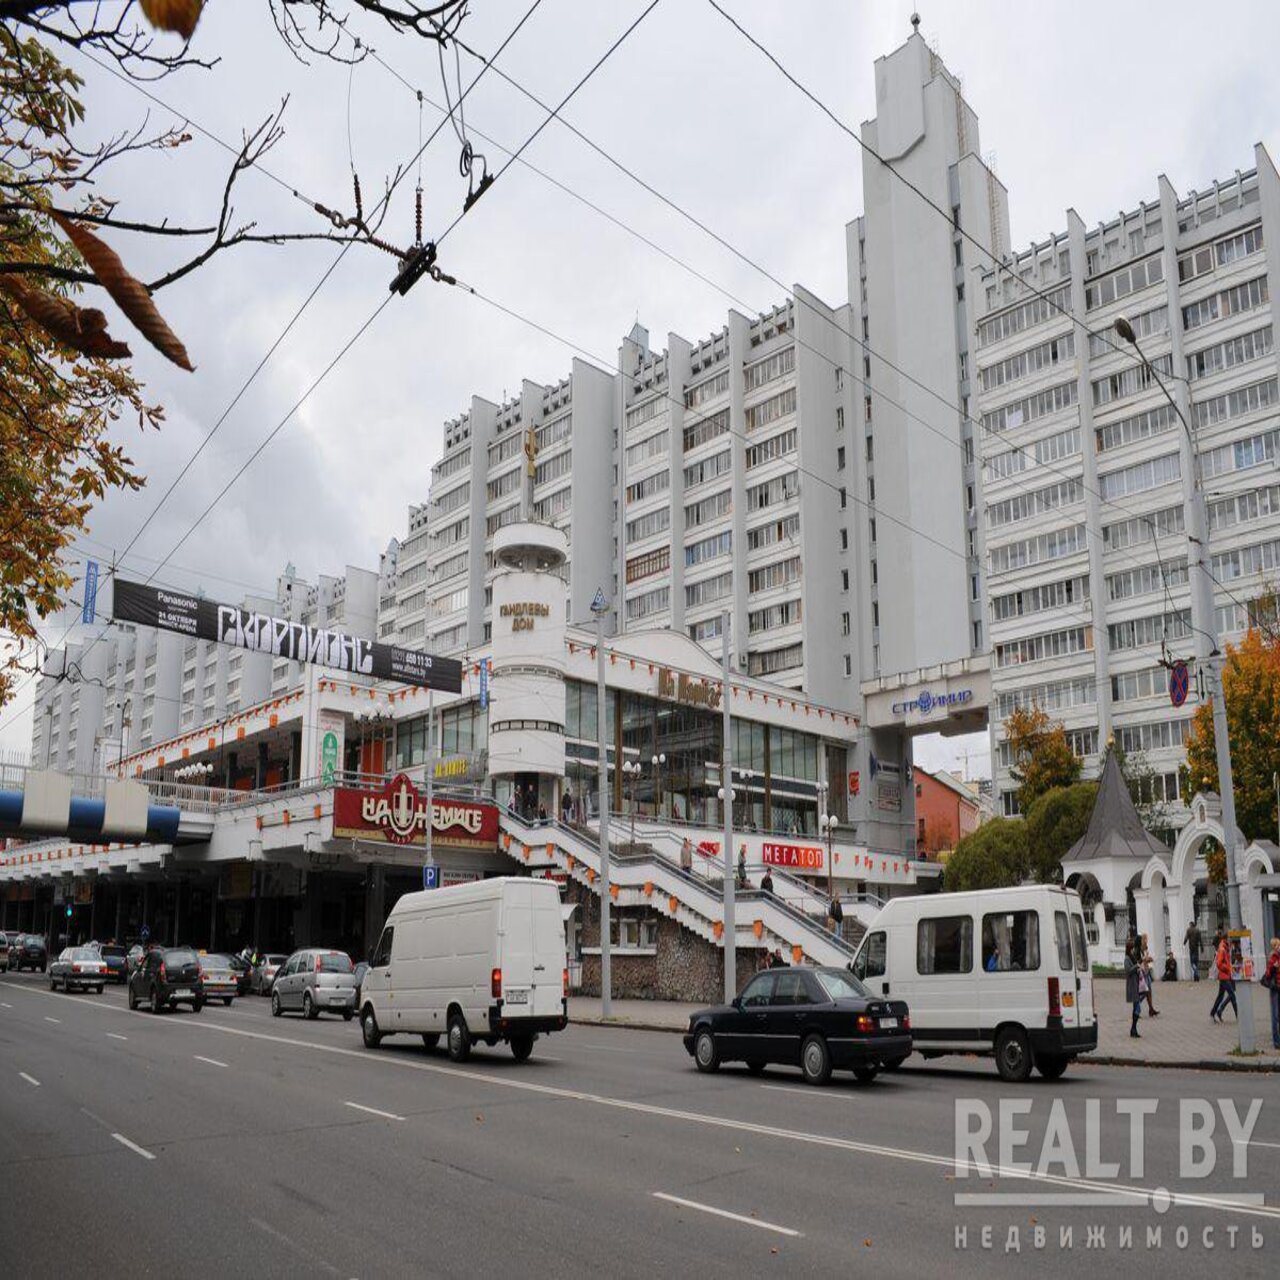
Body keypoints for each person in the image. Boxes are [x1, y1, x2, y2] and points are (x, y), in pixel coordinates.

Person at [1210, 930, 1238, 1023]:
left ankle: (1214, 1013)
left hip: (1227, 975)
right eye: (1230, 938)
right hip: (1224, 976)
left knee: (1221, 996)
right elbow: (1219, 963)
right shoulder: (1222, 948)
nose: (1231, 940)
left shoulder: (1226, 947)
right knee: (1232, 995)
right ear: (1227, 938)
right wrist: (1227, 968)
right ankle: (1239, 1017)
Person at [1263, 936, 1280, 1050]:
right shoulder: (1272, 958)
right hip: (1275, 988)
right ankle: (1276, 1041)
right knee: (1275, 1015)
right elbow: (1268, 974)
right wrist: (1274, 967)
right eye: (1278, 945)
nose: (1279, 947)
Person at [1124, 938, 1142, 1039]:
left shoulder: (1131, 957)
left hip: (1136, 983)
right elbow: (1128, 971)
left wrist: (1138, 969)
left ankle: (1133, 1029)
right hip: (1132, 985)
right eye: (1132, 948)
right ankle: (1133, 1029)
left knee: (1136, 1007)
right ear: (1129, 949)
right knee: (1137, 1008)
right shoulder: (1127, 958)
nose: (1133, 950)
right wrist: (1136, 967)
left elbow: (1135, 970)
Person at [1139, 934, 1159, 1016]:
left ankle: (1151, 1009)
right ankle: (1136, 1006)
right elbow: (1141, 960)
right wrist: (1148, 959)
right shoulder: (1139, 949)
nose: (1146, 940)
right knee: (1145, 992)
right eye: (1145, 939)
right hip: (1143, 972)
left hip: (1147, 971)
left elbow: (1146, 958)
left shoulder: (1145, 948)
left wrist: (1148, 959)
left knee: (1149, 992)